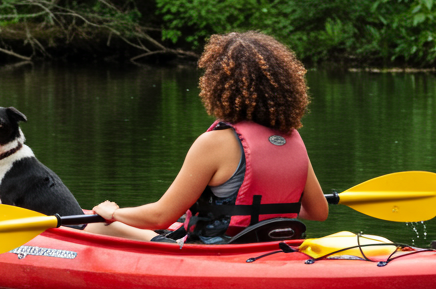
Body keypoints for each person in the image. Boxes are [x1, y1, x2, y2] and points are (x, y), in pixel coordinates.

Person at [82, 31, 329, 242]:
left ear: (220, 85)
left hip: (216, 253)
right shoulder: (292, 140)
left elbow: (160, 216)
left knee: (93, 226)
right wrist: (270, 210)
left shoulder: (214, 144)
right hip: (272, 248)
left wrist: (112, 212)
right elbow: (318, 211)